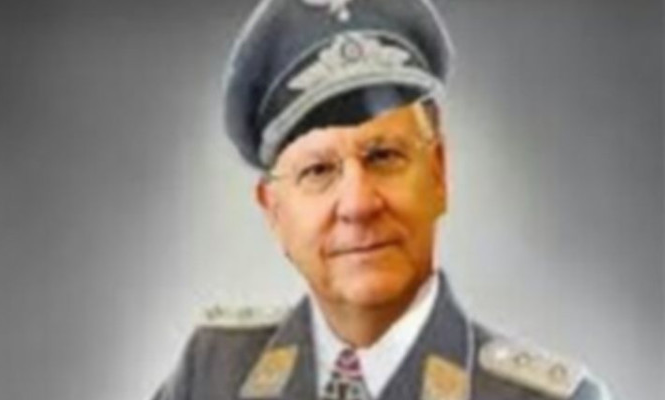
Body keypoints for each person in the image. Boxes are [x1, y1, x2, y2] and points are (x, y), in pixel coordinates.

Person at [153, 0, 609, 399]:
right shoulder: (211, 376)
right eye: (318, 171)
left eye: (385, 157)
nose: (358, 205)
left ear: (438, 172)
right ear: (274, 210)